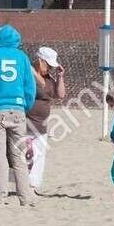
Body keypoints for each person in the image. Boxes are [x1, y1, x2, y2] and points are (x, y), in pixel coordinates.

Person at [0, 24, 38, 207]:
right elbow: (30, 86)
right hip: (18, 109)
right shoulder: (22, 57)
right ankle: (25, 197)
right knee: (18, 155)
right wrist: (26, 105)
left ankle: (0, 196)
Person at [25, 46, 66, 193]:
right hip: (26, 122)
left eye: (51, 66)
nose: (49, 68)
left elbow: (60, 95)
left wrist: (60, 76)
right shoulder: (28, 73)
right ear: (39, 60)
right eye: (47, 65)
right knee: (25, 155)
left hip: (41, 125)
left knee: (39, 156)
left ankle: (33, 186)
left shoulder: (48, 78)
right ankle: (22, 185)